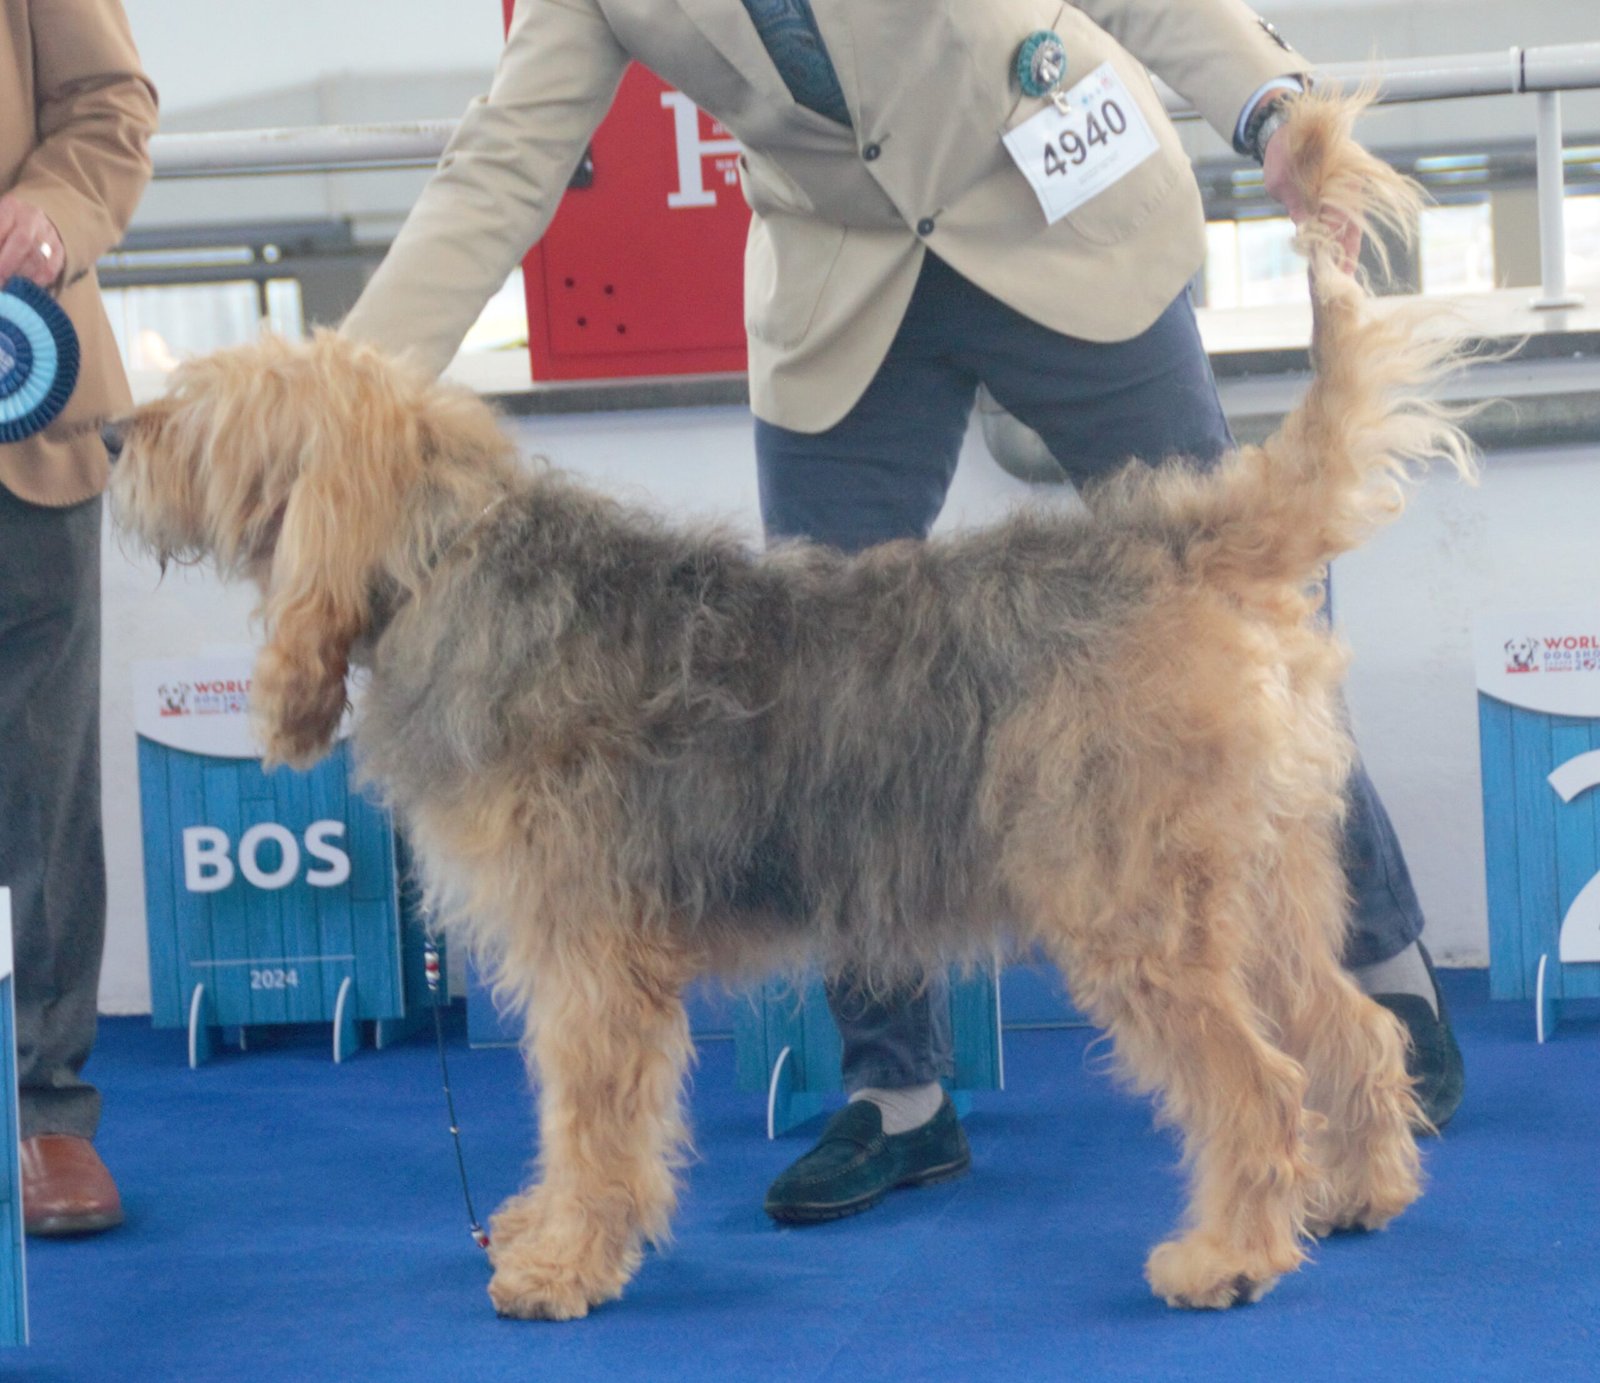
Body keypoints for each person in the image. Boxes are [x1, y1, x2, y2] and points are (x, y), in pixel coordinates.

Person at [340, 0, 1464, 1227]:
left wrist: (1268, 107)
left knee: (1228, 609)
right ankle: (898, 1094)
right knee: (810, 712)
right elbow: (502, 160)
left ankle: (1376, 983)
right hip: (847, 288)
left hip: (1059, 209)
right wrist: (346, 404)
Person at [0, 0, 157, 1236]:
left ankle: (48, 1113)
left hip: (18, 412)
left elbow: (109, 106)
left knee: (41, 792)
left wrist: (52, 211)